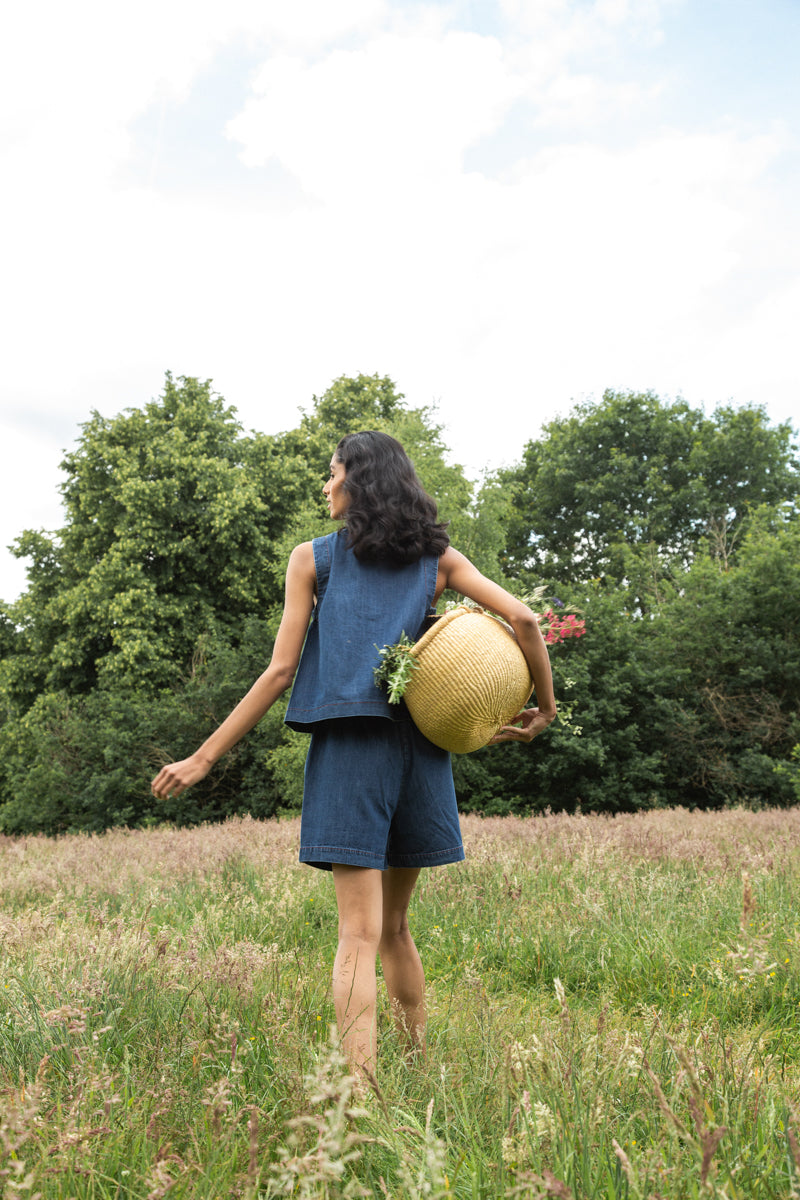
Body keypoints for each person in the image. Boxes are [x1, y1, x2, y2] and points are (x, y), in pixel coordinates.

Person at [151, 431, 556, 1080]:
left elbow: (280, 672)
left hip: (349, 750)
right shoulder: (440, 560)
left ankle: (361, 1102)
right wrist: (545, 709)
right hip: (421, 752)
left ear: (357, 482)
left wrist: (203, 758)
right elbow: (528, 622)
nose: (324, 485)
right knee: (395, 929)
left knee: (357, 937)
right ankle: (420, 1070)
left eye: (330, 472)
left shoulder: (313, 560)